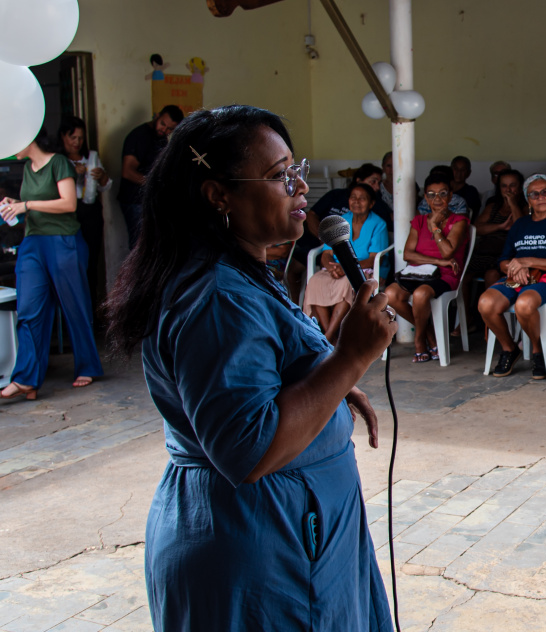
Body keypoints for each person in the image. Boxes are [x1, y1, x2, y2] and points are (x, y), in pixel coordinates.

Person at [103, 105, 393, 630]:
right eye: (280, 176)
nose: (300, 187)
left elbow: (260, 374)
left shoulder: (244, 271)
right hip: (260, 552)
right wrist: (350, 359)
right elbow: (248, 446)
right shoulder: (217, 296)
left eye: (297, 168)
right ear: (219, 196)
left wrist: (329, 386)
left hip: (292, 538)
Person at [0, 130, 105, 399]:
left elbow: (69, 203)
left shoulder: (58, 162)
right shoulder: (27, 168)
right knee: (29, 309)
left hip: (63, 240)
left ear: (28, 139)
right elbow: (30, 206)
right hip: (33, 242)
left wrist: (28, 205)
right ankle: (26, 379)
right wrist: (16, 205)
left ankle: (88, 367)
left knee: (75, 306)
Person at [478, 173, 546, 379]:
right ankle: (509, 348)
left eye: (545, 192)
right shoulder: (520, 224)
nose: (540, 197)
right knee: (486, 303)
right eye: (534, 194)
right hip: (517, 277)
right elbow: (504, 260)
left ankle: (536, 350)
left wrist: (527, 261)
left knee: (525, 304)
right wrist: (516, 267)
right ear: (527, 199)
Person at [385, 172, 470, 363]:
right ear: (425, 197)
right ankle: (431, 335)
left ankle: (419, 341)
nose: (437, 199)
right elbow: (408, 254)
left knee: (421, 295)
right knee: (390, 294)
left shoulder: (459, 222)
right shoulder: (419, 221)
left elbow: (448, 252)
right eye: (431, 194)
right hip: (419, 273)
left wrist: (435, 226)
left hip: (446, 275)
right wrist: (437, 261)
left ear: (450, 196)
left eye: (442, 194)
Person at [302, 183, 390, 344]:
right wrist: (331, 267)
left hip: (365, 269)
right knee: (315, 282)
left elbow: (374, 259)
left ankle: (327, 339)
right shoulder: (340, 222)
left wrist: (345, 268)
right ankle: (333, 339)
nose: (356, 201)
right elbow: (326, 253)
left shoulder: (378, 224)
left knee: (345, 285)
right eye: (353, 197)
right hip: (336, 269)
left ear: (371, 203)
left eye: (362, 199)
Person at [57, 117, 112, 309]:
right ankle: (71, 309)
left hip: (91, 213)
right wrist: (75, 174)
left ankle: (90, 309)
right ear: (63, 136)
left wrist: (103, 177)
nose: (77, 142)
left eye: (80, 138)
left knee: (90, 260)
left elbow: (105, 187)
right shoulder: (58, 161)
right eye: (73, 137)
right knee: (70, 262)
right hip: (67, 214)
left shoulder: (91, 157)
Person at [120, 105, 183, 248]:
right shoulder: (139, 136)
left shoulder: (162, 139)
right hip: (134, 200)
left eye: (170, 129)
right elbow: (127, 172)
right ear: (157, 116)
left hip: (149, 199)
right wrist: (153, 183)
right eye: (163, 124)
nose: (164, 130)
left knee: (152, 244)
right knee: (139, 246)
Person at [469, 169, 528, 292]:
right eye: (504, 186)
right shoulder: (493, 207)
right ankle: (465, 311)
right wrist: (500, 226)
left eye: (512, 185)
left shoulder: (525, 207)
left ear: (520, 187)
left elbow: (521, 229)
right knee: (463, 276)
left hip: (506, 256)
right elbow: (477, 228)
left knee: (491, 275)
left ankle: (491, 308)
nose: (508, 189)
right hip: (483, 254)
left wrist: (512, 204)